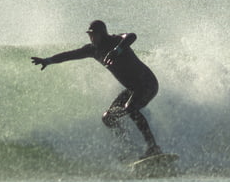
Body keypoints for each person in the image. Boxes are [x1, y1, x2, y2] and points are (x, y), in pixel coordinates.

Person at [31, 20, 162, 158]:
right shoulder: (92, 50)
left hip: (148, 84)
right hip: (132, 89)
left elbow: (132, 36)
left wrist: (117, 50)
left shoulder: (115, 41)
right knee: (108, 118)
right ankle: (129, 149)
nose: (91, 38)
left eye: (94, 35)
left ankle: (153, 147)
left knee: (130, 108)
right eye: (90, 35)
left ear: (103, 34)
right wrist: (47, 60)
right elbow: (69, 55)